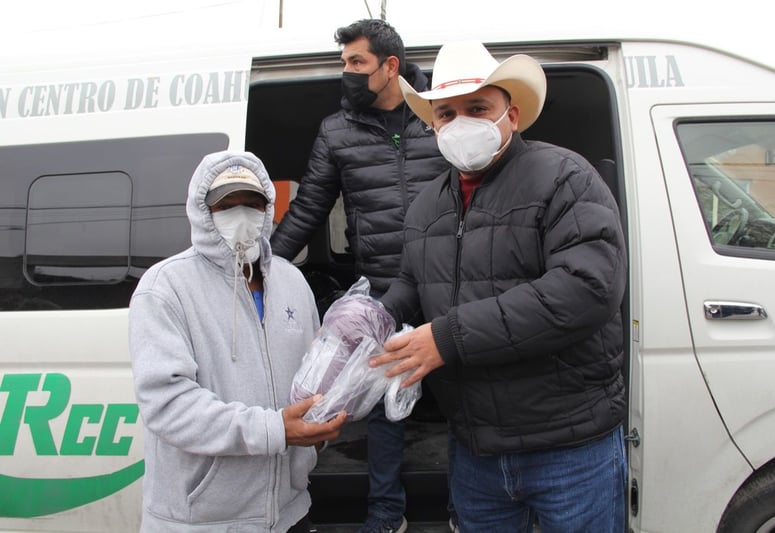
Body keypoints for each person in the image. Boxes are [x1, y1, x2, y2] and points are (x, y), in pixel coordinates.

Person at [372, 41, 628, 533]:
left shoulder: (564, 178)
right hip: (476, 452)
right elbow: (414, 281)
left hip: (570, 447)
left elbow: (586, 289)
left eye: (477, 108)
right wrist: (372, 317)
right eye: (446, 113)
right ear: (432, 125)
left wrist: (446, 338)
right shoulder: (428, 206)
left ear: (510, 115)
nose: (460, 122)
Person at [270, 19, 450, 533]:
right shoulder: (337, 131)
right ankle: (386, 513)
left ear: (390, 67)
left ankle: (465, 508)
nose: (345, 73)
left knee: (461, 399)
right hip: (383, 290)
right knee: (382, 405)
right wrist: (262, 269)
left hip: (447, 282)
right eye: (343, 63)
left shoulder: (437, 114)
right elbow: (308, 209)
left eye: (356, 63)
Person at [129, 150, 346, 533]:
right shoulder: (166, 288)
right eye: (226, 205)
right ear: (202, 210)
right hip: (204, 521)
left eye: (252, 203)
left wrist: (317, 432)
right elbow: (168, 405)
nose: (242, 215)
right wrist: (276, 430)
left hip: (290, 512)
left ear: (268, 209)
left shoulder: (291, 281)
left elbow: (315, 374)